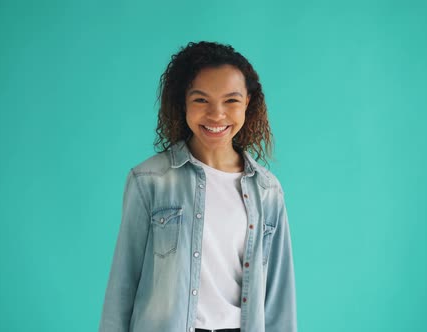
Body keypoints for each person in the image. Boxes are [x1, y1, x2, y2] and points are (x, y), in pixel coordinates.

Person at [99, 41, 296, 332]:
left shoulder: (267, 191)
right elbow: (122, 287)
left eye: (231, 100)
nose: (216, 114)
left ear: (248, 103)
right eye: (201, 100)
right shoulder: (149, 181)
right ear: (183, 103)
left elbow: (279, 299)